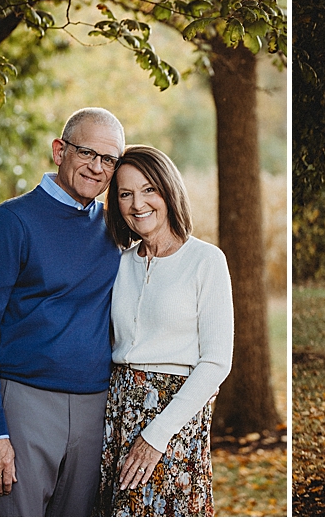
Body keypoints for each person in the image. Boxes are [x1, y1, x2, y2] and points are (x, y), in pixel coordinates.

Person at [0, 107, 125, 516]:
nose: (97, 168)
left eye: (109, 160)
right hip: (24, 406)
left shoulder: (116, 228)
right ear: (59, 150)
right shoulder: (10, 223)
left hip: (95, 408)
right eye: (87, 153)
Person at [93, 145, 234, 516]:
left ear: (169, 190)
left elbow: (217, 361)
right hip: (118, 411)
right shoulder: (119, 263)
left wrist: (156, 435)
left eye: (148, 189)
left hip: (174, 415)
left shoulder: (205, 260)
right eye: (125, 194)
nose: (137, 204)